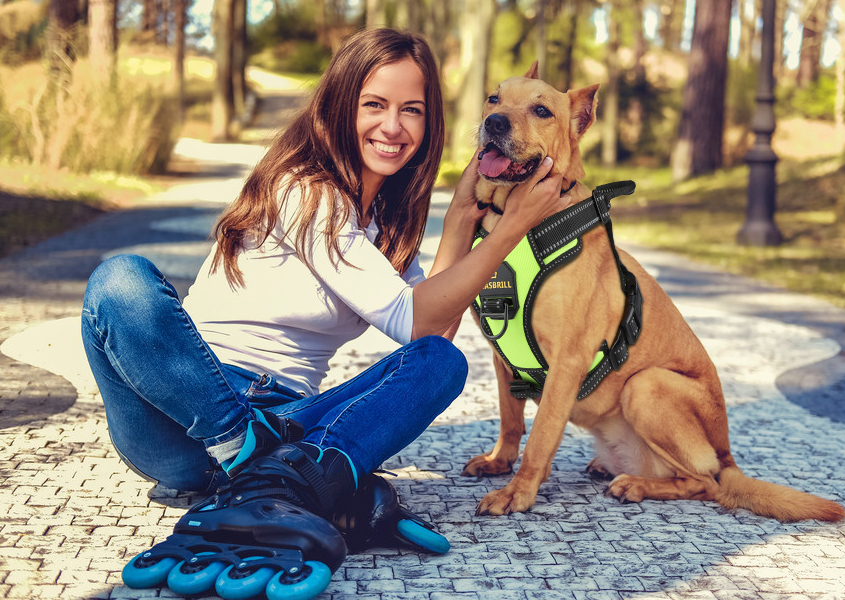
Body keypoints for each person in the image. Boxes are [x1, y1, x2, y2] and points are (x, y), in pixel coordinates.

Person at [81, 27, 566, 580]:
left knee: (440, 364)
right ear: (339, 106)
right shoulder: (304, 190)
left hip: (290, 419)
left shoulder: (382, 220)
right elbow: (418, 317)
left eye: (412, 109)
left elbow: (432, 332)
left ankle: (268, 474)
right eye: (374, 105)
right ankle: (267, 461)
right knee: (120, 282)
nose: (393, 126)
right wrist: (511, 230)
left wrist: (461, 215)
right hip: (187, 414)